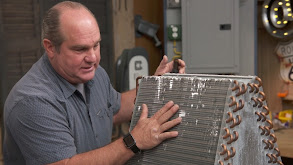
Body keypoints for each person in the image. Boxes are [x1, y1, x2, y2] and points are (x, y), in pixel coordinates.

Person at [3, 1, 186, 165]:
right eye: (80, 49)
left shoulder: (95, 74)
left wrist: (157, 86)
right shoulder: (32, 102)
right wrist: (134, 141)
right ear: (50, 47)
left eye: (96, 45)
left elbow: (115, 107)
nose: (93, 58)